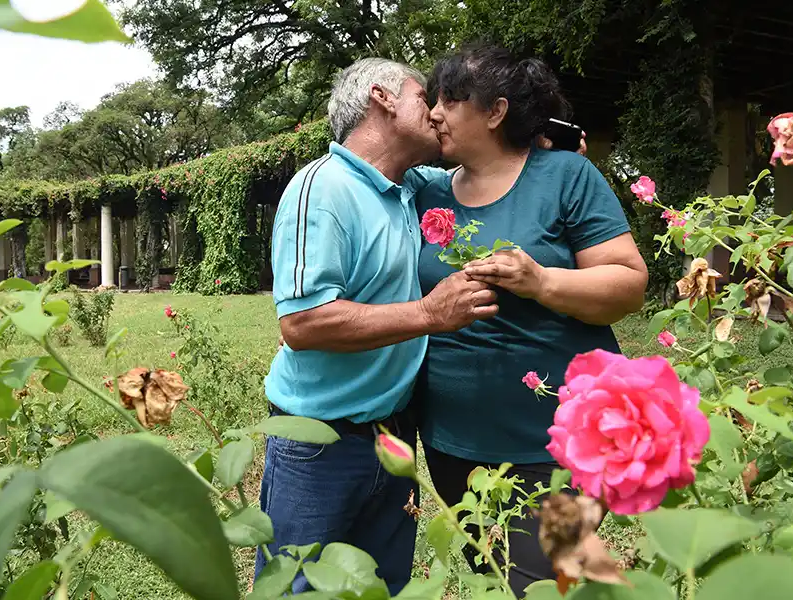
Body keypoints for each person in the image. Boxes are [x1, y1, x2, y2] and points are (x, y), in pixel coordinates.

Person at [257, 57, 500, 595]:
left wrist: (541, 143)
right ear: (382, 99)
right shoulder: (321, 189)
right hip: (318, 439)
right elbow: (302, 322)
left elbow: (487, 166)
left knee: (379, 585)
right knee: (297, 585)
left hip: (395, 432)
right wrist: (430, 314)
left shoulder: (414, 185)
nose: (438, 113)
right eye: (425, 98)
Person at [414, 44, 648, 597]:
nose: (435, 111)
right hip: (452, 441)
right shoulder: (424, 190)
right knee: (492, 578)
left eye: (451, 98)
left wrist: (542, 281)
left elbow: (628, 284)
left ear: (495, 112)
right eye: (432, 98)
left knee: (551, 581)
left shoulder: (565, 175)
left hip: (559, 440)